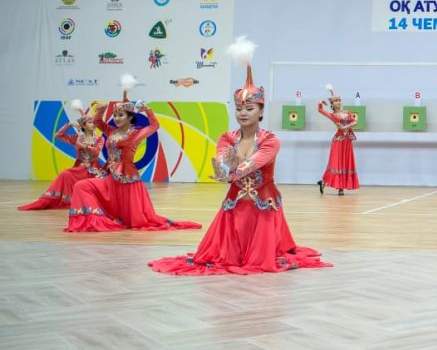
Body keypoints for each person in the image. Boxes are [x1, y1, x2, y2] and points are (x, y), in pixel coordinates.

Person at [149, 36, 331, 275]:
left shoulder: (270, 141)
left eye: (249, 108)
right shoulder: (227, 138)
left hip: (263, 207)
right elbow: (223, 166)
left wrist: (232, 170)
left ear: (261, 111)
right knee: (222, 258)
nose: (243, 113)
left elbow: (250, 165)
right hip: (234, 205)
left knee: (259, 261)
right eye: (239, 109)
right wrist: (224, 170)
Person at [65, 75, 201, 232]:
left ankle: (106, 220)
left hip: (127, 181)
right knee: (81, 186)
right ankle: (94, 220)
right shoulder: (112, 131)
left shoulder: (135, 134)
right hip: (110, 178)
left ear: (130, 117)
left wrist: (147, 110)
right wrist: (101, 110)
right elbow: (97, 123)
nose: (116, 118)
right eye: (115, 115)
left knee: (134, 220)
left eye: (121, 115)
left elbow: (155, 125)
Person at [19, 100, 106, 211]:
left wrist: (83, 146)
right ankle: (58, 200)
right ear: (84, 125)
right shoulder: (77, 138)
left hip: (93, 169)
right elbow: (58, 135)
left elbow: (96, 152)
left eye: (93, 122)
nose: (93, 124)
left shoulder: (99, 138)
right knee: (65, 174)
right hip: (79, 168)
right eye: (90, 122)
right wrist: (69, 124)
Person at [315, 84, 360, 196]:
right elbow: (320, 110)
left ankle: (339, 187)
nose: (339, 102)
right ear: (332, 104)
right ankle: (333, 186)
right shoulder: (332, 115)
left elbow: (355, 121)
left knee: (345, 162)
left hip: (347, 141)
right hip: (338, 141)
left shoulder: (347, 112)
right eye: (336, 101)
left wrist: (345, 127)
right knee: (336, 163)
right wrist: (321, 102)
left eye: (339, 100)